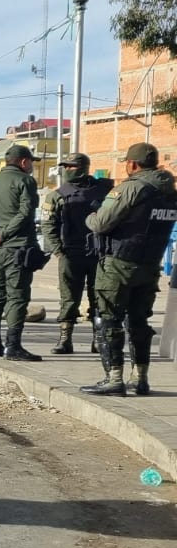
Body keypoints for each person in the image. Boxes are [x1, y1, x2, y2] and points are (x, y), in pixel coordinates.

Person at [80, 143, 177, 397]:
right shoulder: (169, 193)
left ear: (132, 164)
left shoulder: (131, 188)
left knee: (109, 320)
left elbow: (101, 223)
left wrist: (90, 215)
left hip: (119, 264)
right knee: (139, 322)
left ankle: (114, 379)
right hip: (150, 265)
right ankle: (140, 378)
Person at [0, 144, 44, 361]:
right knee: (17, 296)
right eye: (31, 162)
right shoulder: (25, 181)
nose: (32, 166)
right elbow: (25, 213)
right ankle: (13, 346)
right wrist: (3, 234)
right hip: (17, 247)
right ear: (23, 162)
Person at [42, 153, 114, 355]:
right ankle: (65, 339)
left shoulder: (105, 191)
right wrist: (58, 251)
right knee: (69, 298)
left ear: (82, 168)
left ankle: (98, 338)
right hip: (70, 253)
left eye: (70, 166)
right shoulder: (57, 195)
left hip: (99, 253)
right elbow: (48, 225)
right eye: (64, 166)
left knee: (99, 297)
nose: (66, 170)